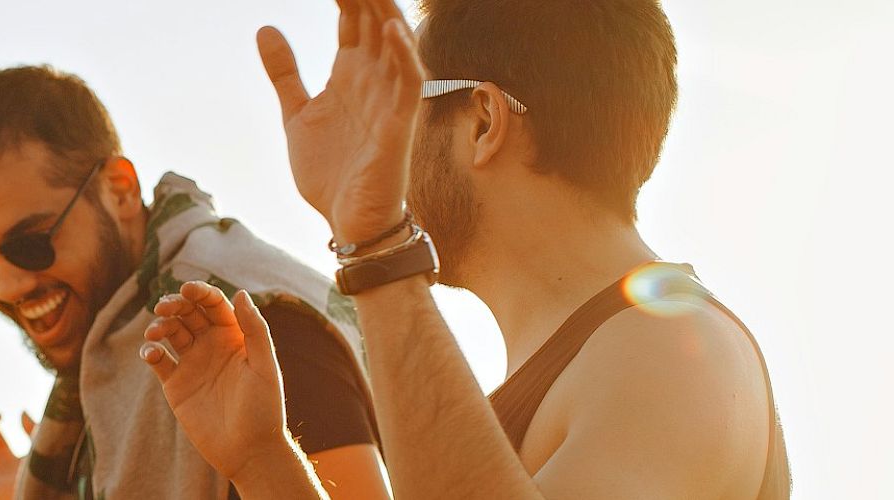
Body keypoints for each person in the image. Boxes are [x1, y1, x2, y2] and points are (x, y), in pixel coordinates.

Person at [144, 0, 789, 498]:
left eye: (407, 107)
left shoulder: (671, 350)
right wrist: (264, 462)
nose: (386, 143)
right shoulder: (595, 365)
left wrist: (374, 243)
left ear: (483, 122)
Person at [0, 65, 386, 499]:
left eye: (30, 245)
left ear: (120, 189)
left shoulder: (248, 329)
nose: (7, 287)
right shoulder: (114, 356)